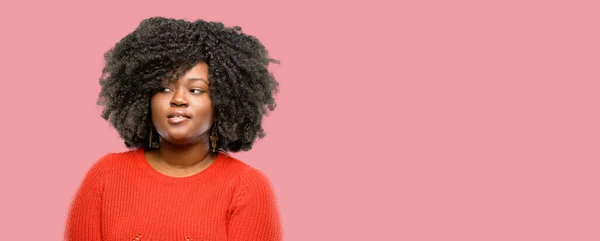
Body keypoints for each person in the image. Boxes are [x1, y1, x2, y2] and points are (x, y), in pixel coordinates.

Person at [64, 16, 282, 241]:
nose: (178, 99)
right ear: (143, 98)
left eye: (196, 90)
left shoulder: (246, 187)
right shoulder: (105, 176)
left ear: (224, 101)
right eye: (165, 89)